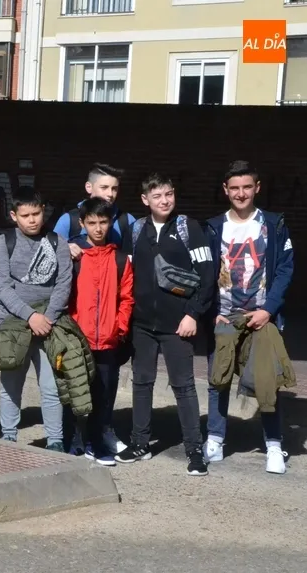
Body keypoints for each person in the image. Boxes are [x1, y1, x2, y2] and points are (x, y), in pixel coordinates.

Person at [115, 174, 214, 477]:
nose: (164, 200)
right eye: (157, 196)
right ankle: (139, 443)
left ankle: (194, 450)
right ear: (145, 199)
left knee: (183, 386)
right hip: (142, 324)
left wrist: (193, 314)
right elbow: (127, 274)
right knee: (142, 383)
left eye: (169, 194)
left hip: (179, 324)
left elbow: (208, 275)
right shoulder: (136, 230)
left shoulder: (189, 228)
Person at [204, 160, 294, 475]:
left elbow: (285, 269)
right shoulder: (213, 227)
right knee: (218, 378)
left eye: (246, 187)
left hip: (262, 316)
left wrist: (269, 309)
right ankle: (215, 439)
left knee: (267, 381)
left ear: (257, 188)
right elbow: (204, 273)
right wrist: (211, 313)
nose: (240, 194)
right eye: (234, 188)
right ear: (225, 190)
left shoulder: (273, 224)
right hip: (225, 316)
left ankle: (274, 445)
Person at [0, 187, 71, 451]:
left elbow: (64, 284)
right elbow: (2, 288)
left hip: (49, 326)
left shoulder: (57, 242)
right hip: (12, 326)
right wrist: (31, 316)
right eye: (25, 215)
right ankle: (8, 435)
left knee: (52, 386)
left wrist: (47, 318)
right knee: (11, 385)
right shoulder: (3, 243)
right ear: (14, 216)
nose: (32, 220)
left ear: (43, 211)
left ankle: (55, 440)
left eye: (36, 213)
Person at [66, 198, 134, 465]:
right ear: (82, 223)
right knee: (76, 393)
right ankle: (74, 442)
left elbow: (127, 298)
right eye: (92, 222)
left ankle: (97, 443)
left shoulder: (119, 259)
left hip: (108, 340)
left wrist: (119, 328)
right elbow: (65, 295)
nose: (98, 228)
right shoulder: (75, 256)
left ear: (110, 223)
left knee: (103, 396)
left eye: (103, 222)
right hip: (78, 339)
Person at [54, 163, 135, 262]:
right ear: (89, 187)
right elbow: (52, 252)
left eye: (114, 189)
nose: (110, 194)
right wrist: (65, 248)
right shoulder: (69, 220)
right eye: (104, 187)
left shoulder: (127, 220)